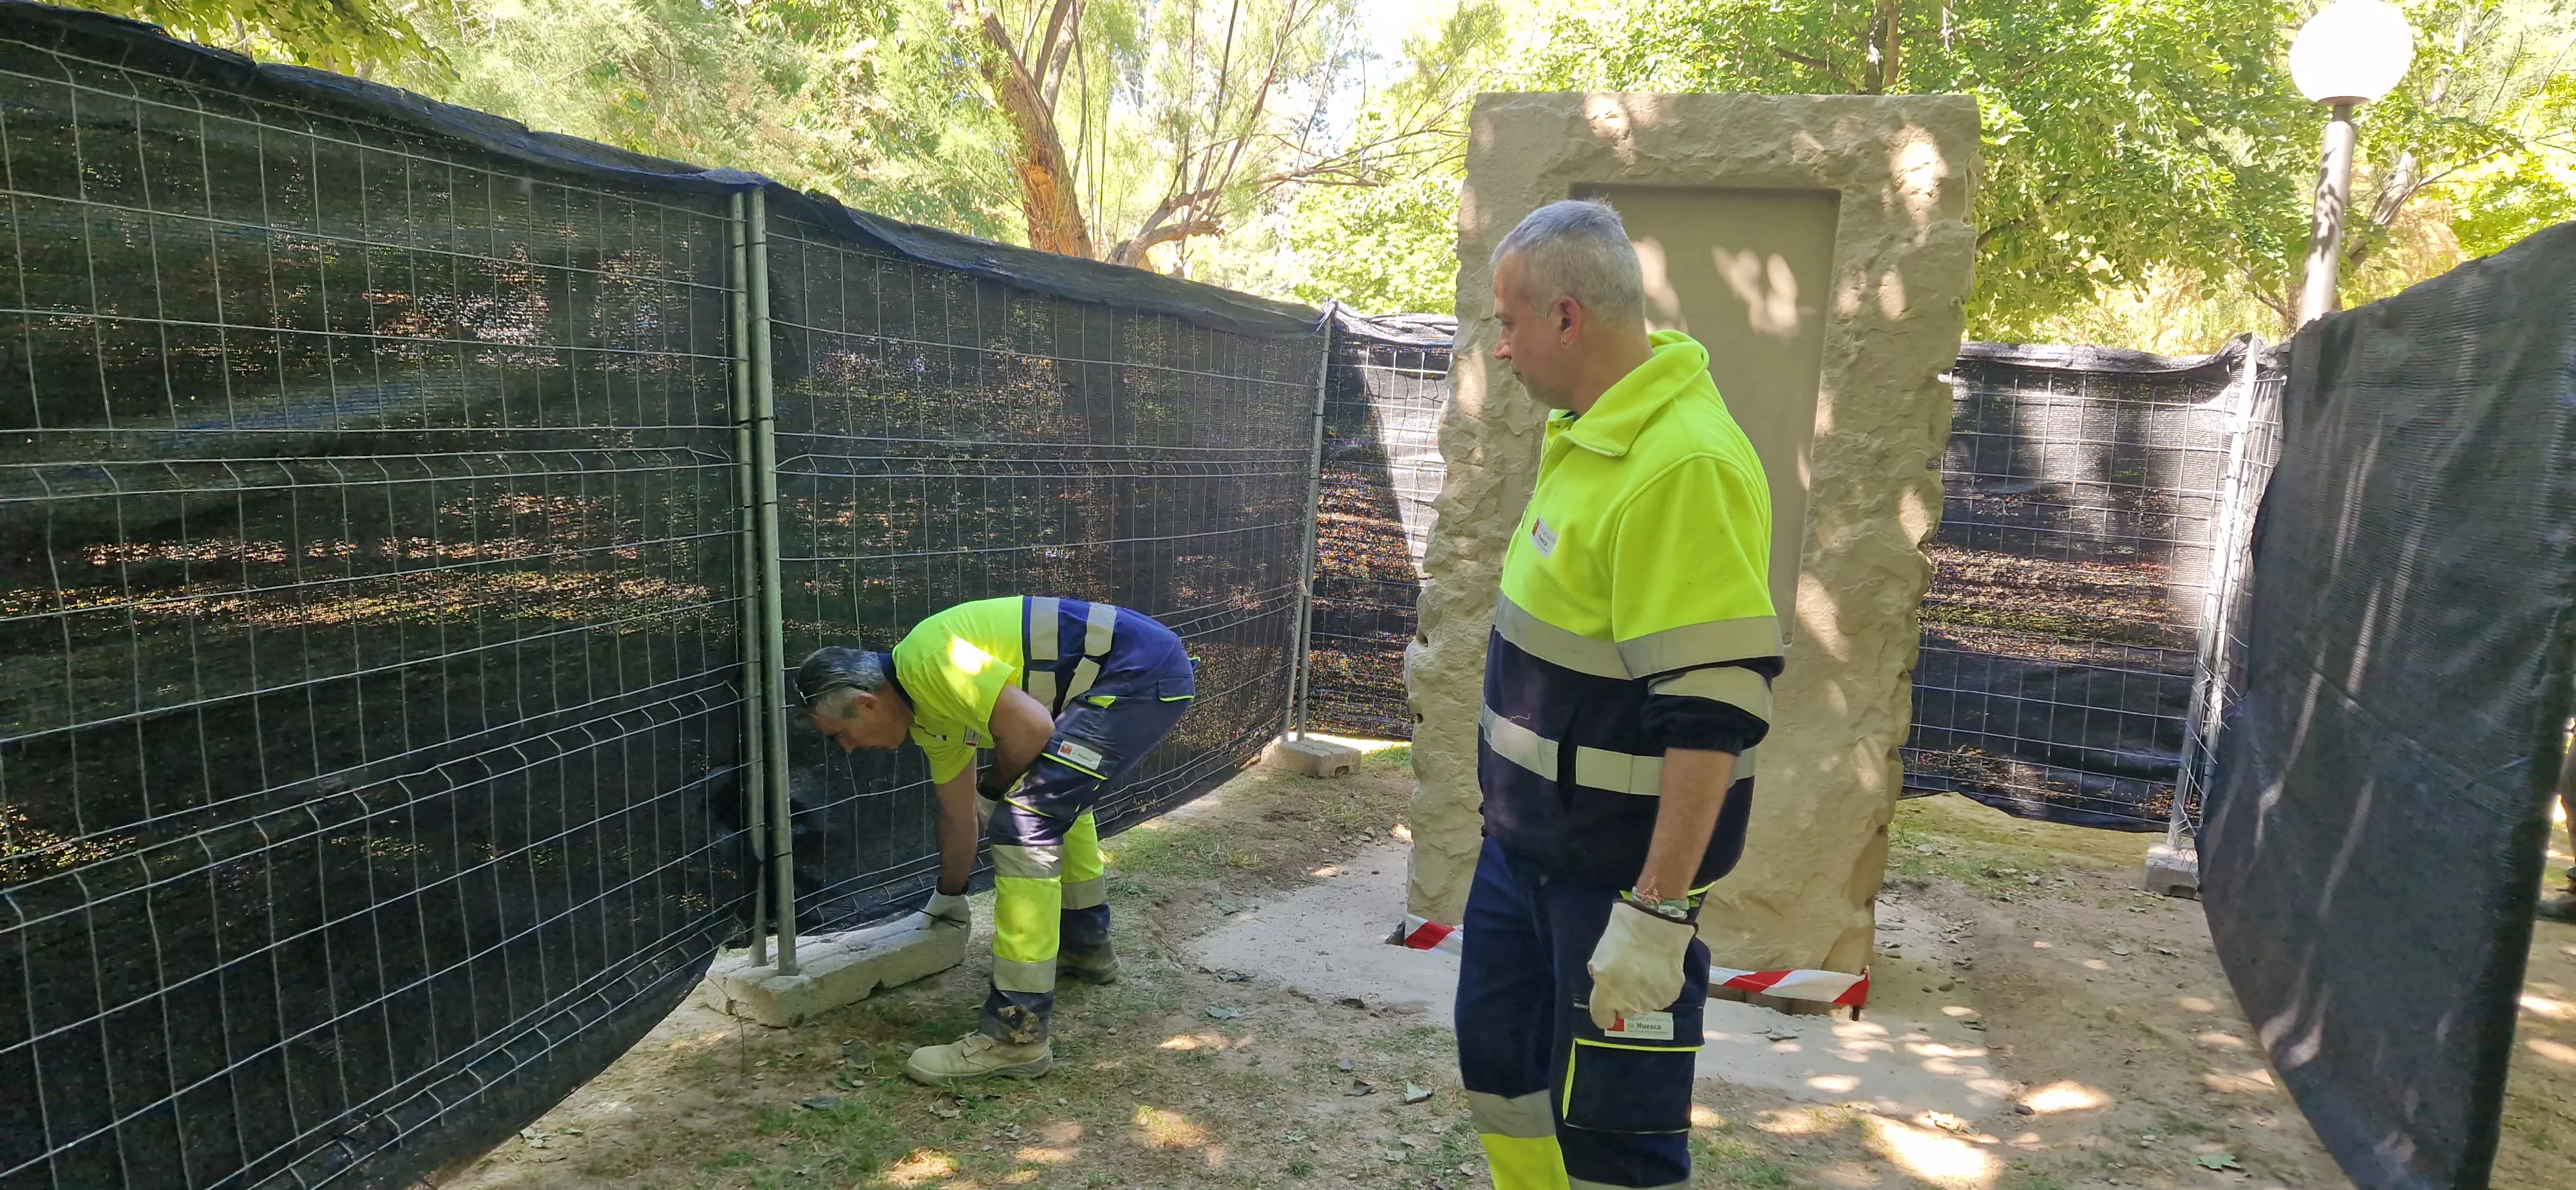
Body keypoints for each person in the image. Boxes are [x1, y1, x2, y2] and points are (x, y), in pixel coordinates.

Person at [1453, 199, 1782, 1190]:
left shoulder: (1680, 465)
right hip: (1525, 857)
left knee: (1614, 1143)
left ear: (1565, 318)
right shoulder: (1592, 430)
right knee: (1503, 1074)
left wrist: (1657, 913)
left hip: (1612, 883)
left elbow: (1711, 715)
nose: (1500, 349)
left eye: (1508, 324)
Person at [795, 596, 1195, 1086]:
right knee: (1053, 801)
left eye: (841, 735)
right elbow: (958, 815)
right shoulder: (927, 717)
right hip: (1135, 671)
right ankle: (1085, 949)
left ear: (866, 703)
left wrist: (996, 788)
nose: (848, 748)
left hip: (1140, 674)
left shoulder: (929, 662)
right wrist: (950, 896)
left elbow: (1030, 729)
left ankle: (1015, 1037)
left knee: (1026, 819)